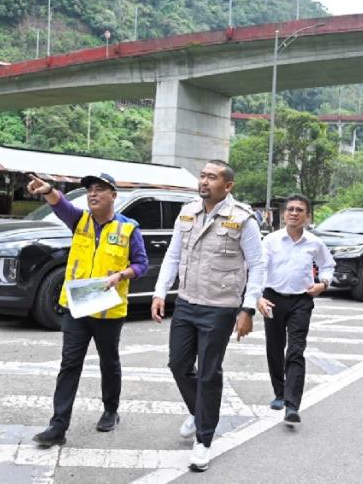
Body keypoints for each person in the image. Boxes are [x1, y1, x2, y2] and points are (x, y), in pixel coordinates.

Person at [151, 160, 264, 472]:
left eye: (211, 177)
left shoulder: (243, 219)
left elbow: (257, 265)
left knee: (209, 371)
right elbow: (173, 255)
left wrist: (248, 308)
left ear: (227, 186)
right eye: (202, 175)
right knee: (178, 364)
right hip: (187, 303)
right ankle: (198, 410)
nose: (204, 181)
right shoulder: (187, 211)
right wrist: (160, 292)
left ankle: (204, 439)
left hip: (221, 307)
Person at [27, 172, 148, 446]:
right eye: (90, 190)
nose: (93, 194)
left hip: (108, 311)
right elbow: (61, 205)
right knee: (69, 364)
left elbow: (142, 264)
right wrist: (49, 190)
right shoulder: (79, 220)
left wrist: (122, 275)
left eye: (100, 190)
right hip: (77, 308)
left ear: (113, 196)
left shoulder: (128, 228)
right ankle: (57, 427)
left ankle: (111, 409)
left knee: (109, 362)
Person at [256, 194, 335, 426]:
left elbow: (328, 265)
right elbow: (260, 268)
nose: (293, 213)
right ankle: (279, 394)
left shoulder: (314, 243)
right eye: (290, 209)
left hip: (301, 301)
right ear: (283, 214)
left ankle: (292, 405)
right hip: (272, 299)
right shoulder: (270, 240)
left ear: (307, 216)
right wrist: (258, 297)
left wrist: (324, 283)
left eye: (299, 210)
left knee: (296, 350)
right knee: (275, 347)